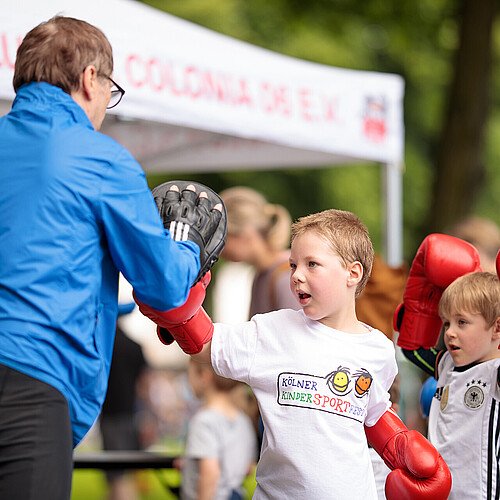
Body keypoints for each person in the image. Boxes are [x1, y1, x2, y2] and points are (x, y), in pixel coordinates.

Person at [0, 16, 219, 500]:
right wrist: (187, 246)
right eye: (109, 91)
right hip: (35, 375)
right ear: (89, 79)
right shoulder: (101, 159)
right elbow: (162, 284)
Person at [138, 202, 452, 499]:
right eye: (293, 265)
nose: (297, 275)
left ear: (352, 274)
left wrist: (401, 449)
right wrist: (176, 304)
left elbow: (373, 414)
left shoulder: (378, 349)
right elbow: (206, 344)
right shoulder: (272, 331)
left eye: (312, 264)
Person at [395, 234, 500, 499]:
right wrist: (418, 305)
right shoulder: (446, 365)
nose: (450, 333)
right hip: (440, 492)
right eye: (446, 323)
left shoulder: (495, 373)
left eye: (462, 323)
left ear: (496, 328)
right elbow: (413, 348)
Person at [179, 359, 257, 500]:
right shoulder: (243, 420)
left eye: (189, 373)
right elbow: (248, 467)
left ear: (205, 376)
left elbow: (210, 474)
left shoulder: (204, 421)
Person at [219, 186, 298, 316]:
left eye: (222, 237)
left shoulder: (286, 276)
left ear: (245, 234)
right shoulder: (262, 274)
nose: (218, 247)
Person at [100, 304, 148, 500]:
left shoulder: (103, 348)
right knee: (125, 470)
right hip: (132, 414)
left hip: (111, 416)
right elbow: (144, 386)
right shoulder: (134, 347)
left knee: (117, 475)